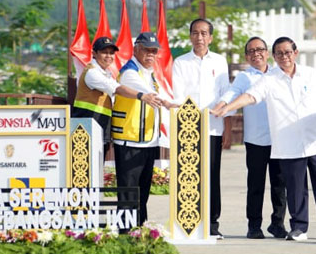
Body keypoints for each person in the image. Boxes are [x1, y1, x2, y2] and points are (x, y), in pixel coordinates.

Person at [211, 36, 316, 242]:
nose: (284, 56)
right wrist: (227, 107)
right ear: (275, 56)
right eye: (280, 53)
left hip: (315, 138)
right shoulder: (269, 80)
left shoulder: (310, 74)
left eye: (287, 52)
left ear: (295, 53)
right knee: (296, 188)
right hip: (287, 142)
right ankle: (298, 227)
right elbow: (250, 96)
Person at [214, 37, 287, 239]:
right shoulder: (244, 78)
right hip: (255, 140)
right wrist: (220, 106)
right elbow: (232, 94)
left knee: (280, 185)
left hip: (279, 138)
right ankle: (254, 226)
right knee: (255, 185)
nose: (256, 54)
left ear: (268, 53)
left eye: (260, 50)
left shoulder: (279, 73)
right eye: (252, 51)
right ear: (247, 56)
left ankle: (278, 223)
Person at [172, 18, 229, 238]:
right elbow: (178, 95)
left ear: (211, 37)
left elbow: (226, 93)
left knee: (212, 175)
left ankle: (213, 223)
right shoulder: (181, 62)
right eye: (195, 33)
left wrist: (226, 123)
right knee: (189, 174)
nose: (200, 38)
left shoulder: (219, 61)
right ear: (190, 36)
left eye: (204, 33)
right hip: (188, 128)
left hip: (213, 127)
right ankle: (190, 221)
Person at [112, 32, 175, 226]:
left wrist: (173, 104)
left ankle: (140, 230)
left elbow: (160, 95)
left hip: (148, 141)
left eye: (154, 51)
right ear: (136, 49)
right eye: (147, 50)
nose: (151, 55)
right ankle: (125, 233)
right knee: (129, 191)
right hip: (129, 141)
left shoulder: (150, 75)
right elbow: (147, 93)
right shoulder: (130, 72)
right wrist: (165, 101)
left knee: (143, 191)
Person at [72, 36, 160, 151]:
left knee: (97, 167)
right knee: (86, 167)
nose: (108, 56)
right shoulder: (92, 72)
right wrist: (141, 96)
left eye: (111, 53)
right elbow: (117, 89)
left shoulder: (106, 73)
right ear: (94, 53)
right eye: (104, 52)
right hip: (85, 127)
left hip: (99, 126)